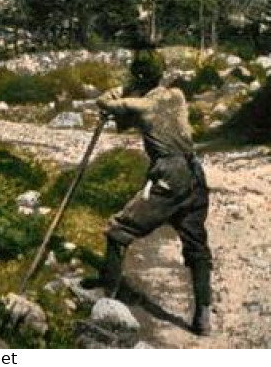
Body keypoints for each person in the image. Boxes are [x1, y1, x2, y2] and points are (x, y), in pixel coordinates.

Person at [96, 50, 213, 337]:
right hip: (195, 172)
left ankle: (104, 304)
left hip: (170, 176)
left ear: (137, 76)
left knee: (118, 230)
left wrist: (120, 90)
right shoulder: (177, 95)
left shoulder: (141, 105)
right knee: (195, 244)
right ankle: (203, 316)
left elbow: (104, 103)